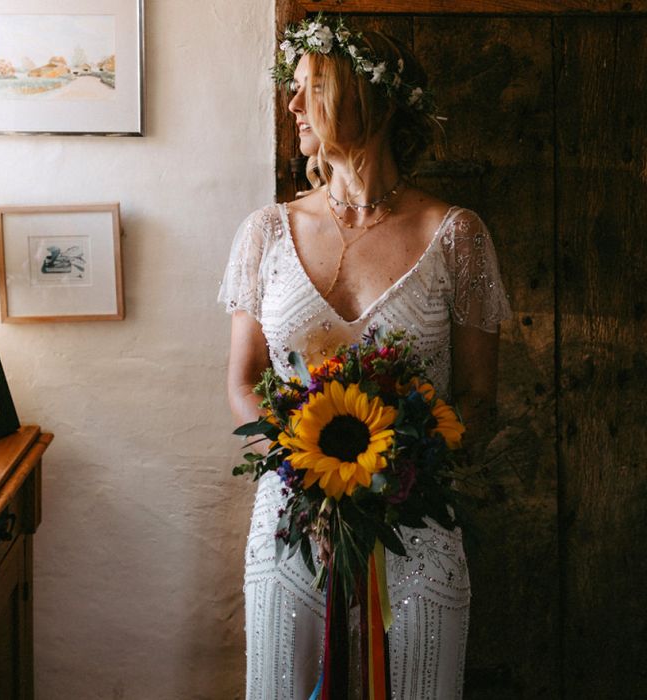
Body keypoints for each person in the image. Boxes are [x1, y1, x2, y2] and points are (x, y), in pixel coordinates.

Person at [219, 15, 511, 699]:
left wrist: (398, 468)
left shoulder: (455, 237)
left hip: (416, 531)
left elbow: (479, 398)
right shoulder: (267, 232)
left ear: (361, 96)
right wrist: (308, 465)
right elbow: (243, 381)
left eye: (308, 88)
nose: (291, 106)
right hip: (291, 522)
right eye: (291, 90)